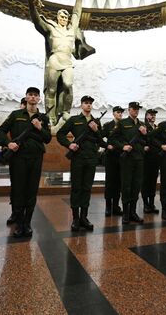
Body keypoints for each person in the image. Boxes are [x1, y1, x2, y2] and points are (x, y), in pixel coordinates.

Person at [20, 0, 95, 125]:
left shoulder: (71, 29)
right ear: (57, 18)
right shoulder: (51, 28)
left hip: (67, 61)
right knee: (52, 90)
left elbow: (77, 14)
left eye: (66, 17)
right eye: (61, 16)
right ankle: (51, 116)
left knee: (68, 84)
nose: (64, 18)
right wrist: (31, 3)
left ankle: (66, 112)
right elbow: (36, 20)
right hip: (54, 61)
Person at [0, 87, 51, 237]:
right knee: (18, 189)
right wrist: (8, 144)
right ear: (26, 98)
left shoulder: (43, 118)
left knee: (32, 190)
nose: (33, 97)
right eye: (30, 95)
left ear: (39, 99)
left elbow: (47, 138)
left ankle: (27, 222)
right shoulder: (15, 115)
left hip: (35, 157)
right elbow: (0, 132)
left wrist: (40, 128)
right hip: (18, 157)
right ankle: (19, 223)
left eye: (36, 95)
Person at [56, 95, 104, 231]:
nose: (88, 105)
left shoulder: (96, 122)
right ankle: (76, 218)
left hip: (91, 158)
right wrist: (69, 144)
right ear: (81, 105)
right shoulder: (74, 120)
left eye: (90, 103)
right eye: (86, 103)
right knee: (76, 188)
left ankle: (84, 217)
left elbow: (101, 142)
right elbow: (60, 134)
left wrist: (96, 131)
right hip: (77, 158)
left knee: (87, 188)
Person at [111, 102, 147, 224]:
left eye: (138, 109)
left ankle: (133, 212)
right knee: (126, 186)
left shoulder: (142, 124)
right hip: (127, 159)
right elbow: (112, 139)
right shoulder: (122, 123)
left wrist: (145, 134)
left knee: (136, 186)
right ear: (129, 110)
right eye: (134, 109)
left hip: (139, 159)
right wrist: (123, 147)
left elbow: (147, 141)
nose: (136, 111)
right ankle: (126, 213)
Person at [101, 106, 124, 216]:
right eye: (118, 112)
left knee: (119, 183)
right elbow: (99, 137)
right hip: (110, 157)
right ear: (113, 114)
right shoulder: (108, 125)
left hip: (121, 156)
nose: (120, 114)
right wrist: (106, 145)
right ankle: (108, 206)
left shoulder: (124, 125)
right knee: (110, 182)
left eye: (121, 113)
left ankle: (116, 206)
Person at [142, 109, 160, 214]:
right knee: (145, 181)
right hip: (146, 158)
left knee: (153, 181)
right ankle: (145, 204)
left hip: (156, 157)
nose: (153, 116)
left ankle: (152, 203)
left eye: (154, 115)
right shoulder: (143, 126)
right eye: (151, 114)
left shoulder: (156, 127)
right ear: (146, 116)